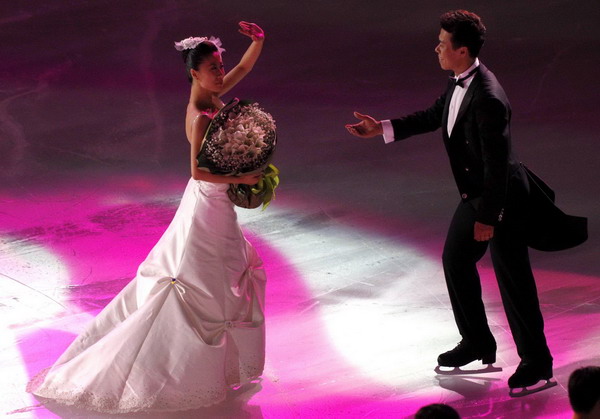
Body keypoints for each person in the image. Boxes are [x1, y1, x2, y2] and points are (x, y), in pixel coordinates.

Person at [28, 21, 268, 413]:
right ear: (195, 73)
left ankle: (221, 367)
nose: (222, 73)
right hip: (207, 199)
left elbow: (242, 70)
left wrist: (258, 42)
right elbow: (197, 171)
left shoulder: (214, 94)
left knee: (222, 275)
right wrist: (241, 176)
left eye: (221, 66)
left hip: (217, 200)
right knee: (198, 279)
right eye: (214, 68)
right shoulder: (201, 113)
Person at [345, 10, 577, 396]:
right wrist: (382, 127)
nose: (436, 48)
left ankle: (537, 363)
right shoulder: (458, 82)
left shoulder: (487, 97)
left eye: (442, 43)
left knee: (513, 278)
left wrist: (490, 217)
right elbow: (437, 115)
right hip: (478, 193)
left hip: (502, 198)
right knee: (455, 259)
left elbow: (497, 164)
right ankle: (477, 342)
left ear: (462, 49)